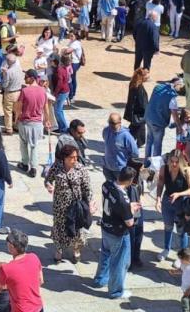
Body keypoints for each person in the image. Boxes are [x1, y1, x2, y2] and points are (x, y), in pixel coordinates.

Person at [44, 143, 92, 263]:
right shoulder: (56, 167)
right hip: (60, 205)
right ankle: (59, 249)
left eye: (76, 157)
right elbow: (48, 179)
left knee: (76, 228)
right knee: (59, 226)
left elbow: (87, 188)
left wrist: (90, 202)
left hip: (75, 205)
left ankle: (76, 249)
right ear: (64, 158)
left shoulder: (81, 169)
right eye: (72, 157)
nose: (75, 159)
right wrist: (49, 186)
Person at [94, 166, 137, 301]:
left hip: (106, 227)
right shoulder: (123, 200)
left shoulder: (106, 185)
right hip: (118, 233)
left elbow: (113, 205)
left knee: (105, 255)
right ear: (130, 181)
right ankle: (116, 291)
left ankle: (100, 279)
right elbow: (129, 222)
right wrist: (132, 210)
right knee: (119, 262)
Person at [0, 229, 43, 312]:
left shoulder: (6, 269)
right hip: (38, 308)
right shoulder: (34, 257)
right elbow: (40, 281)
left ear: (11, 246)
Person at [155, 149, 190, 262]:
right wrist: (158, 199)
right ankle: (166, 249)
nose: (173, 164)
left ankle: (182, 255)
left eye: (176, 162)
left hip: (181, 203)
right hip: (167, 201)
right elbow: (160, 183)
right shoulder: (165, 168)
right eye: (171, 161)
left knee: (181, 231)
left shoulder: (187, 171)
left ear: (181, 161)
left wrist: (179, 194)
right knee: (167, 227)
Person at [15, 70, 47, 177]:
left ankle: (25, 164)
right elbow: (46, 107)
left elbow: (19, 108)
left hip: (25, 122)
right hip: (37, 123)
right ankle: (33, 167)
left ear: (32, 78)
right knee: (34, 146)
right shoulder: (43, 91)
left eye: (26, 77)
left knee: (23, 144)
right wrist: (47, 120)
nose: (24, 79)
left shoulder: (25, 91)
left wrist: (16, 119)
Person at [143, 77, 182, 159]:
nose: (180, 88)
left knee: (149, 141)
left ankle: (147, 162)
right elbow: (175, 115)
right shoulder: (172, 97)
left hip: (148, 117)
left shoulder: (158, 87)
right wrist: (179, 126)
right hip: (158, 122)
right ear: (176, 84)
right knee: (157, 144)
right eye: (180, 86)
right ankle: (155, 166)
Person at [101, 113, 138, 182]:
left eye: (113, 123)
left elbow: (135, 153)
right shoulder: (106, 130)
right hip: (107, 167)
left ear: (119, 123)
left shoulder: (126, 136)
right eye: (110, 123)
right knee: (110, 189)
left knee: (120, 190)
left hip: (120, 170)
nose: (111, 125)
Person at [0, 49, 24, 134]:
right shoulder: (19, 68)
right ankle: (16, 126)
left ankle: (9, 129)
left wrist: (4, 75)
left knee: (8, 111)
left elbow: (5, 85)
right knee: (17, 111)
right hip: (18, 92)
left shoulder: (8, 72)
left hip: (10, 93)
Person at [123, 68, 149, 148]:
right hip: (138, 113)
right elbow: (142, 103)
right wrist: (147, 111)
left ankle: (140, 142)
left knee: (139, 127)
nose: (148, 78)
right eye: (147, 76)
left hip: (133, 112)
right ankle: (128, 142)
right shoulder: (139, 88)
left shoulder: (133, 84)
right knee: (135, 128)